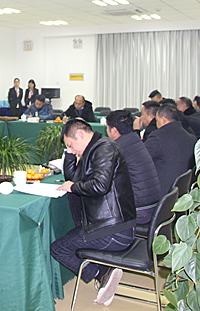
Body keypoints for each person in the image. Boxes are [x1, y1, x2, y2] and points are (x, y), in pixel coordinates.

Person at [51, 119, 136, 306]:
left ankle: (101, 273)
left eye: (71, 145)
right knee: (72, 237)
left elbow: (99, 186)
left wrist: (73, 187)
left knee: (58, 249)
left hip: (114, 230)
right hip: (109, 223)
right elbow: (72, 177)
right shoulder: (92, 148)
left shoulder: (105, 149)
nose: (71, 150)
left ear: (81, 135)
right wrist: (70, 153)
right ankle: (103, 270)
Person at [106, 110, 161, 224]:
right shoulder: (134, 138)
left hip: (139, 209)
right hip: (154, 205)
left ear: (114, 130)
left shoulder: (117, 147)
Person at [145, 104, 196, 196]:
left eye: (157, 120)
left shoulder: (157, 137)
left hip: (162, 193)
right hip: (183, 193)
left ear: (163, 120)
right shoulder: (191, 138)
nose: (156, 124)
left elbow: (142, 159)